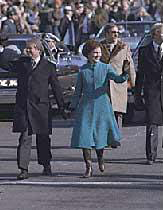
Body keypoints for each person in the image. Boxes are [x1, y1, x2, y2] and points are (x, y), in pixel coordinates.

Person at [0, 36, 66, 180]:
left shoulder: (48, 66)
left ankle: (46, 165)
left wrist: (62, 107)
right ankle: (23, 169)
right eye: (26, 48)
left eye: (30, 48)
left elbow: (56, 88)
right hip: (24, 108)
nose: (27, 51)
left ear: (38, 50)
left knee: (43, 138)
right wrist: (0, 49)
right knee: (25, 138)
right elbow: (4, 65)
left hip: (41, 108)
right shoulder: (22, 63)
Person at [68, 40, 128, 178]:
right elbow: (78, 91)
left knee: (100, 137)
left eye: (99, 52)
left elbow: (118, 79)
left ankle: (100, 158)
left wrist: (124, 73)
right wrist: (72, 106)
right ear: (88, 54)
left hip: (102, 107)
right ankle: (88, 167)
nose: (97, 55)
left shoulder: (106, 68)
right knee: (85, 138)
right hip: (86, 107)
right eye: (95, 52)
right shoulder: (83, 70)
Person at [134, 23, 163, 165]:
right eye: (161, 32)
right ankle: (151, 155)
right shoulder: (144, 51)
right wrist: (137, 94)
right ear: (154, 34)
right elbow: (141, 74)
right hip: (152, 92)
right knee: (152, 123)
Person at [99, 23, 136, 135]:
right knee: (105, 112)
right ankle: (105, 137)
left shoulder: (124, 47)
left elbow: (129, 65)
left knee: (118, 112)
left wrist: (133, 83)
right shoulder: (99, 47)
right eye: (113, 32)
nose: (116, 35)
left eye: (117, 33)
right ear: (106, 34)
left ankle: (116, 136)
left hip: (119, 83)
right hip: (103, 85)